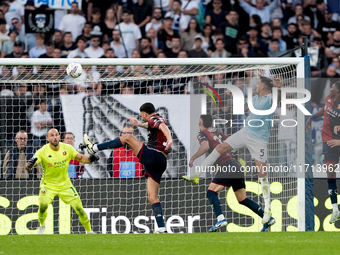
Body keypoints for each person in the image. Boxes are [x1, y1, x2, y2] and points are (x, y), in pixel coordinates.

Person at [189, 76, 282, 225]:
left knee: (262, 176)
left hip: (259, 141)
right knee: (220, 147)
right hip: (245, 133)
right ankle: (197, 174)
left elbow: (278, 100)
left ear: (263, 87)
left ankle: (268, 210)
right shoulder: (257, 98)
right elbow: (246, 107)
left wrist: (278, 88)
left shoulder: (270, 98)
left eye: (258, 83)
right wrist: (235, 97)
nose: (256, 85)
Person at [83, 102, 172, 233]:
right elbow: (154, 125)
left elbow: (163, 126)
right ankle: (161, 227)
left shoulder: (154, 118)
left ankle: (94, 147)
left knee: (127, 137)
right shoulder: (155, 119)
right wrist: (139, 124)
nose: (142, 117)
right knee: (152, 196)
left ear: (145, 113)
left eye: (142, 116)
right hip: (161, 161)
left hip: (154, 155)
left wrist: (169, 139)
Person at [183, 114, 275, 232]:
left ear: (200, 123)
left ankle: (220, 219)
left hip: (227, 165)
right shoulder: (218, 133)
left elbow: (205, 147)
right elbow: (235, 145)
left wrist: (193, 158)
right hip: (236, 165)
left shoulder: (202, 133)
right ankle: (268, 219)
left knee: (211, 192)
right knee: (242, 199)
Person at [25, 128, 99, 234]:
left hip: (65, 184)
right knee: (43, 207)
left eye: (56, 135)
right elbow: (28, 166)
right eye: (52, 135)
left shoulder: (67, 148)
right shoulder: (42, 151)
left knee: (79, 209)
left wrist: (91, 159)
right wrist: (29, 165)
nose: (55, 138)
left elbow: (81, 158)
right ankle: (42, 225)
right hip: (48, 185)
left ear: (59, 137)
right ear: (47, 138)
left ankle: (90, 231)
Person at [306, 81, 340, 223]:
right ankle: (335, 209)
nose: (330, 88)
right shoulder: (328, 99)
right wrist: (312, 118)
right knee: (330, 174)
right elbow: (324, 110)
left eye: (333, 87)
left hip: (338, 142)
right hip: (328, 144)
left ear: (338, 91)